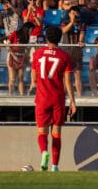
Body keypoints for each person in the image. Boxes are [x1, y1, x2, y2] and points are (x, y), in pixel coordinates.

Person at [29, 25, 76, 172]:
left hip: (42, 98)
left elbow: (34, 80)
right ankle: (55, 167)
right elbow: (68, 81)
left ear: (46, 38)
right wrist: (73, 102)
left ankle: (44, 152)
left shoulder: (38, 54)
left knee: (42, 132)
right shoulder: (64, 56)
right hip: (58, 98)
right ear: (60, 38)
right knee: (56, 133)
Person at [6, 22, 34, 96]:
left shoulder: (27, 37)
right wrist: (14, 56)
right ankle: (10, 95)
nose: (32, 31)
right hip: (12, 57)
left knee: (20, 78)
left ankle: (21, 95)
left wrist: (26, 57)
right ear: (27, 28)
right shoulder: (15, 33)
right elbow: (7, 45)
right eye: (31, 29)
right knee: (12, 78)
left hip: (21, 57)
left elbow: (25, 49)